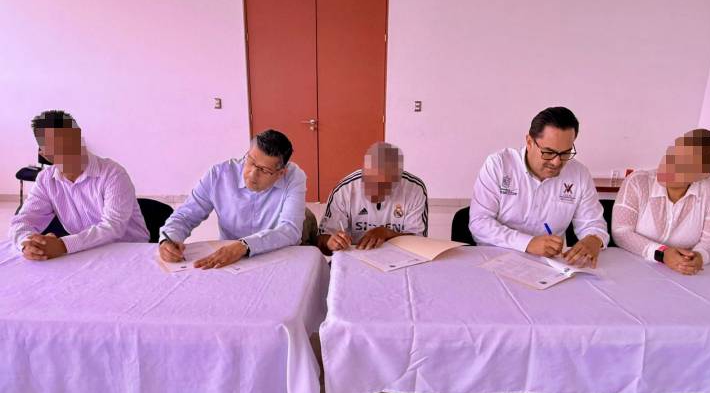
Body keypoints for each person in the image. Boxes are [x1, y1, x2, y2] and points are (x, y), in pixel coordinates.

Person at [457, 106, 609, 393]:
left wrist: (593, 240)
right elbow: (479, 223)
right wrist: (527, 243)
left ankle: (538, 382)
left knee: (555, 323)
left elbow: (594, 224)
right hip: (496, 260)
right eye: (549, 152)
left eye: (565, 153)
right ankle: (478, 388)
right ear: (529, 141)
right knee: (492, 325)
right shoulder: (499, 165)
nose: (557, 162)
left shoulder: (578, 174)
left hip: (549, 266)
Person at [10, 110, 149, 260]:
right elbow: (22, 221)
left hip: (130, 254)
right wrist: (29, 244)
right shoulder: (46, 179)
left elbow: (113, 227)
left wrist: (63, 245)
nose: (66, 149)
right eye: (56, 146)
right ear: (44, 154)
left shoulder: (113, 173)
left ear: (80, 138)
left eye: (70, 140)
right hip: (85, 254)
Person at [158, 129, 306, 269]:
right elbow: (185, 216)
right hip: (227, 260)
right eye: (251, 161)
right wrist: (168, 238)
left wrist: (244, 246)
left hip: (275, 256)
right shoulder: (218, 174)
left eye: (264, 170)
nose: (252, 174)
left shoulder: (293, 177)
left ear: (280, 173)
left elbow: (290, 230)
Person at [612, 129, 710, 274]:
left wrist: (698, 257)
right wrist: (662, 253)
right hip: (632, 268)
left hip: (683, 273)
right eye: (672, 153)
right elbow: (621, 233)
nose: (670, 164)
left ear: (704, 174)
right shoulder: (638, 181)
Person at [317, 142, 427, 255]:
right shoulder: (345, 189)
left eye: (382, 186)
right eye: (369, 181)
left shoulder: (414, 189)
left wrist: (387, 234)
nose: (374, 191)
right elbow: (322, 241)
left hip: (398, 257)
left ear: (398, 180)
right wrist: (331, 243)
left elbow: (420, 243)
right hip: (356, 256)